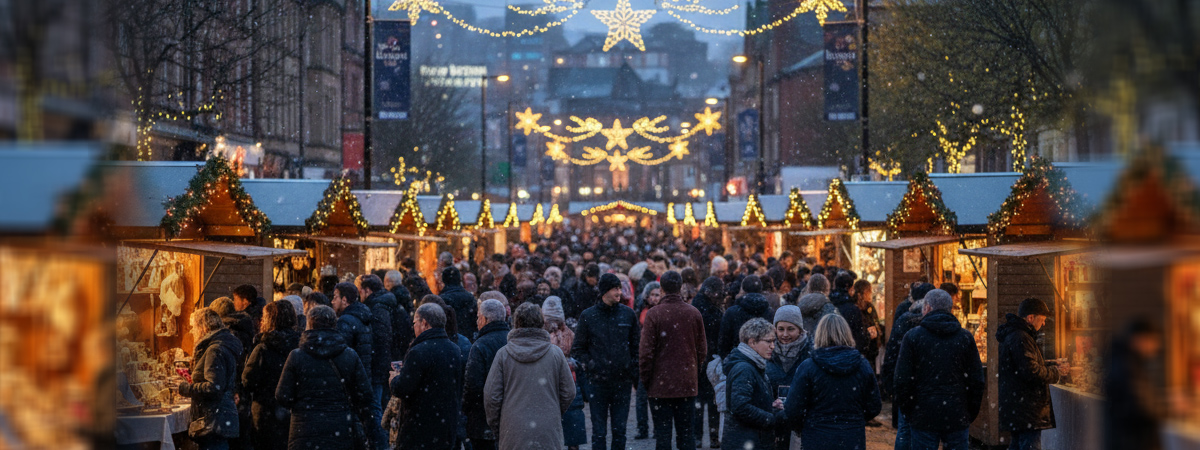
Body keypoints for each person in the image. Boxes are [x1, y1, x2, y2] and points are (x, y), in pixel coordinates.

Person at [893, 289, 984, 450]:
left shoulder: (913, 337)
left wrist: (910, 411)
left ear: (927, 307)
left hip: (923, 415)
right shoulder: (964, 337)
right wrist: (968, 412)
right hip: (956, 414)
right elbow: (976, 380)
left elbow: (902, 380)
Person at [275, 305, 373, 450]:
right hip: (341, 428)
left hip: (304, 429)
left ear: (309, 325)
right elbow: (365, 394)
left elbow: (282, 395)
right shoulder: (349, 355)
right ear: (334, 324)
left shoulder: (296, 356)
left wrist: (301, 402)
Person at [484, 303, 577, 450]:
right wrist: (553, 410)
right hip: (548, 429)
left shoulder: (503, 354)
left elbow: (492, 397)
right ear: (541, 323)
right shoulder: (555, 354)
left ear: (516, 323)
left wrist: (499, 425)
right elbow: (569, 392)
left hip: (513, 429)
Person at [783, 314, 882, 450]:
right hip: (852, 437)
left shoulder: (809, 366)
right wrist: (855, 419)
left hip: (817, 436)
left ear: (819, 334)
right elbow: (874, 405)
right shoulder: (862, 365)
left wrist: (806, 424)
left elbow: (792, 409)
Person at [571, 273, 640, 450]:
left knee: (620, 431)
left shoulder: (628, 315)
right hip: (597, 383)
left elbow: (636, 348)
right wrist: (592, 366)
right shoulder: (589, 316)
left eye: (620, 288)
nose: (619, 292)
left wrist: (632, 370)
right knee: (599, 432)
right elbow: (578, 349)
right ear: (604, 291)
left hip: (622, 382)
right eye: (615, 288)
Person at [639, 271, 707, 450]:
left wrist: (647, 380)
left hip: (660, 386)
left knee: (663, 436)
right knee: (686, 435)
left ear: (661, 288)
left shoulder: (654, 314)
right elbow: (702, 350)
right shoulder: (693, 313)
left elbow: (646, 353)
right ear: (681, 287)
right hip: (686, 384)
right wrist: (692, 372)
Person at [390, 303, 464, 449]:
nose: (414, 327)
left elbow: (403, 388)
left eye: (415, 322)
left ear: (424, 323)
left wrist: (394, 379)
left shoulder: (419, 351)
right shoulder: (454, 349)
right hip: (446, 425)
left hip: (420, 427)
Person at [997, 298, 1066, 450]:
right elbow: (1031, 371)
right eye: (1042, 319)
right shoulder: (1021, 337)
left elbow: (1025, 366)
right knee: (1029, 446)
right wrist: (1055, 373)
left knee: (1017, 444)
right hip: (1027, 409)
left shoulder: (1015, 335)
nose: (1044, 324)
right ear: (1030, 318)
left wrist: (1050, 365)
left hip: (1018, 407)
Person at [331, 282, 386, 450]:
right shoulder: (362, 316)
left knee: (362, 420)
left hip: (353, 380)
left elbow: (341, 353)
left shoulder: (345, 322)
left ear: (345, 300)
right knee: (370, 417)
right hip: (364, 375)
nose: (332, 301)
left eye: (335, 297)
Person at [179, 308, 243, 450]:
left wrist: (185, 388)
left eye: (194, 327)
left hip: (214, 419)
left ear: (204, 327)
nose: (192, 331)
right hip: (218, 417)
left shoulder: (214, 350)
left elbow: (214, 387)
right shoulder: (219, 345)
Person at [241, 301, 300, 450]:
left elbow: (248, 379)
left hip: (265, 411)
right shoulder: (300, 345)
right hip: (293, 411)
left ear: (270, 319)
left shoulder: (263, 347)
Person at [721, 318, 784, 450]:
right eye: (768, 341)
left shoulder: (754, 365)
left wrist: (769, 406)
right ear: (752, 342)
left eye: (773, 341)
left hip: (748, 440)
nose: (772, 346)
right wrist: (772, 419)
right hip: (745, 441)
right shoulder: (745, 368)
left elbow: (749, 401)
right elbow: (740, 407)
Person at [1104, 318, 1165, 450]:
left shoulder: (1126, 361)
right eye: (1153, 341)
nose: (1156, 347)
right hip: (1130, 441)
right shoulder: (1126, 365)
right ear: (1138, 339)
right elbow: (1139, 407)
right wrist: (1169, 407)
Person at [463, 299, 511, 450]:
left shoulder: (480, 345)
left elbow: (473, 385)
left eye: (478, 317)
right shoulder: (513, 340)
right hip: (511, 416)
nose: (477, 321)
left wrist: (465, 409)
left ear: (484, 319)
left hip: (483, 420)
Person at [766, 305, 812, 450]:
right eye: (781, 329)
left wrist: (796, 404)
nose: (785, 334)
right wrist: (770, 403)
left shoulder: (811, 353)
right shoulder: (766, 351)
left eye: (790, 329)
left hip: (801, 424)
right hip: (773, 423)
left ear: (800, 329)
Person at [543, 296, 586, 450]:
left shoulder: (570, 331)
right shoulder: (542, 334)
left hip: (568, 380)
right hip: (550, 381)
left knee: (572, 421)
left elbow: (578, 353)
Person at [692, 276, 725, 448]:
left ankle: (698, 436)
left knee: (700, 402)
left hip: (699, 360)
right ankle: (712, 436)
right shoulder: (712, 310)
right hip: (711, 359)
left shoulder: (696, 307)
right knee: (712, 400)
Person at [358, 275, 396, 424]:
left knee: (376, 406)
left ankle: (381, 441)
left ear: (367, 290)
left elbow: (381, 340)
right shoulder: (383, 303)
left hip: (378, 365)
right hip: (384, 362)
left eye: (360, 290)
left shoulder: (377, 307)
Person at [633, 280, 663, 440]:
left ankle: (657, 429)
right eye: (652, 295)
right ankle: (642, 427)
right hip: (644, 356)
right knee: (642, 397)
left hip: (657, 358)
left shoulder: (660, 312)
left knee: (655, 397)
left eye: (657, 295)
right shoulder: (641, 311)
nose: (654, 298)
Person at [717, 275, 774, 358]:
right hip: (763, 360)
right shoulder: (770, 312)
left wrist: (728, 361)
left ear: (742, 289)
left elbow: (723, 343)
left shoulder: (732, 312)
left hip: (737, 360)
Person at [829, 273, 871, 359]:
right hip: (849, 355)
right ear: (850, 289)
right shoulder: (853, 310)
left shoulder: (828, 305)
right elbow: (860, 338)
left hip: (831, 353)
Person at [440, 266, 479, 340]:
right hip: (468, 338)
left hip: (449, 340)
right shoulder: (469, 297)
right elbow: (475, 320)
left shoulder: (443, 299)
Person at [854, 279, 882, 372]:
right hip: (862, 349)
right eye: (869, 291)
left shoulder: (869, 307)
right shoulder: (855, 309)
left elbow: (875, 323)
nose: (871, 294)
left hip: (871, 350)